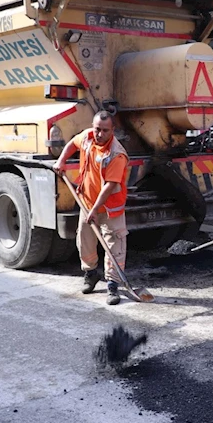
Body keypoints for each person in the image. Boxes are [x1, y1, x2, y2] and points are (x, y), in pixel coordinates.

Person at [54, 111, 129, 305]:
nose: (100, 134)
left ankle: (113, 285)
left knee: (114, 247)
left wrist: (95, 210)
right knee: (85, 242)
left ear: (112, 130)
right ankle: (91, 274)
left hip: (109, 208)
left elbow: (109, 186)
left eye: (105, 130)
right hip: (87, 203)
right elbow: (72, 144)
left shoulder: (116, 154)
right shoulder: (87, 137)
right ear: (92, 127)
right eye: (97, 129)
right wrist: (62, 160)